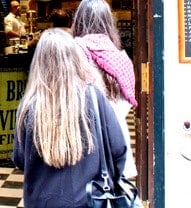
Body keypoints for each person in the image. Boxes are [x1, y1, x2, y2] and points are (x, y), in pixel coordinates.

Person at [12, 28, 127, 208]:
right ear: (75, 58)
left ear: (38, 63)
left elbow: (20, 158)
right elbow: (118, 148)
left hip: (41, 202)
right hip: (89, 200)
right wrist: (110, 181)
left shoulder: (28, 106)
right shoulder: (94, 97)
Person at [71, 0, 138, 178]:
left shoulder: (74, 51)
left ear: (78, 20)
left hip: (81, 137)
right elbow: (126, 102)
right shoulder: (120, 57)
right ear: (109, 22)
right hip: (115, 137)